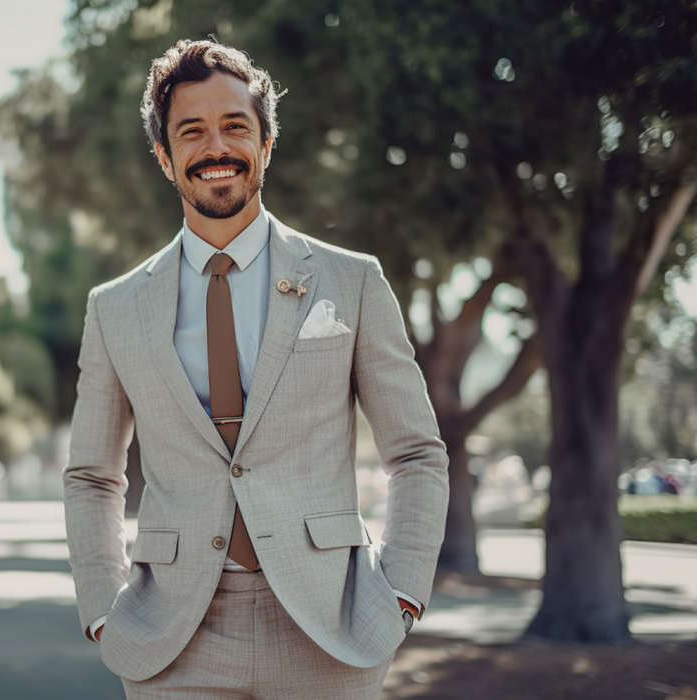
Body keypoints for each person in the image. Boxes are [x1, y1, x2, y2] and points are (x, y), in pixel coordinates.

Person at [63, 39, 450, 700]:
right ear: (165, 157)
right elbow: (93, 474)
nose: (216, 147)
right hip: (174, 639)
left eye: (235, 126)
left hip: (329, 629)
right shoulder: (114, 309)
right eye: (192, 132)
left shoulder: (351, 282)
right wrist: (103, 611)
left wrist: (403, 594)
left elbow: (416, 452)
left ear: (267, 143)